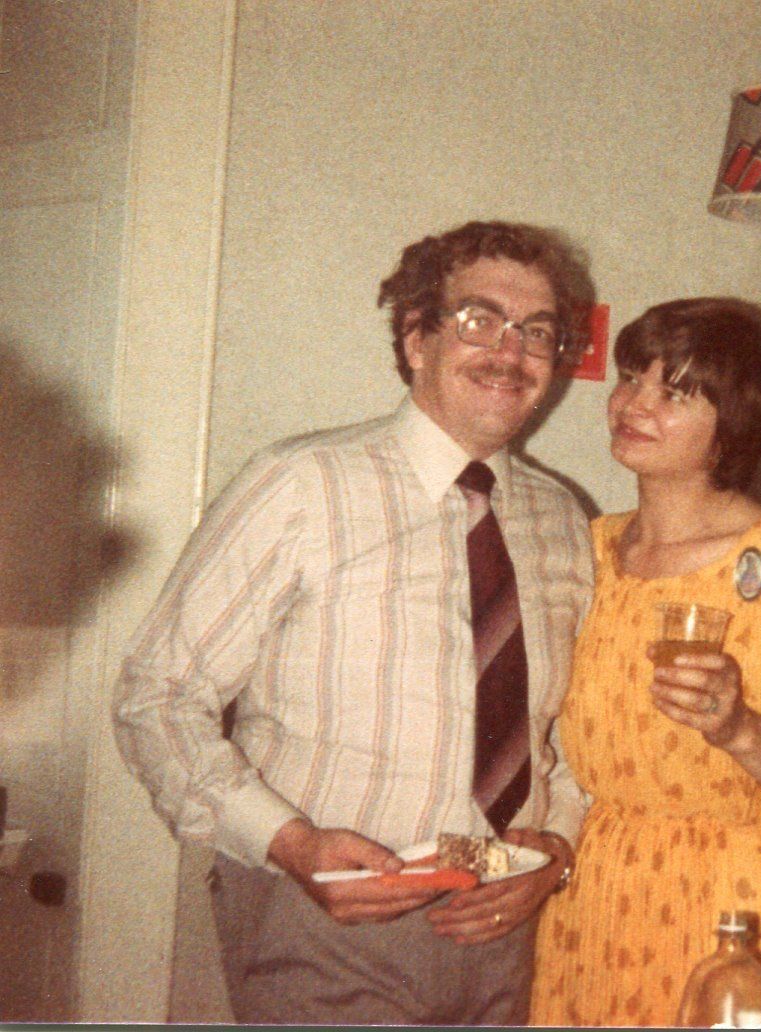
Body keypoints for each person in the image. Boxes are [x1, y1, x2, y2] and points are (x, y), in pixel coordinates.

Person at [112, 221, 596, 1025]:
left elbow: (571, 736)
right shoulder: (300, 485)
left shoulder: (561, 518)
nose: (509, 351)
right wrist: (289, 843)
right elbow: (157, 695)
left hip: (503, 927)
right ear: (415, 338)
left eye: (536, 332)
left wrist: (556, 851)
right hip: (326, 921)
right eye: (479, 319)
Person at [530, 298, 761, 1027]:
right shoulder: (589, 547)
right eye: (632, 377)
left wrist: (738, 729)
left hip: (732, 906)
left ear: (733, 423)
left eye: (674, 392)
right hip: (595, 888)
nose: (633, 404)